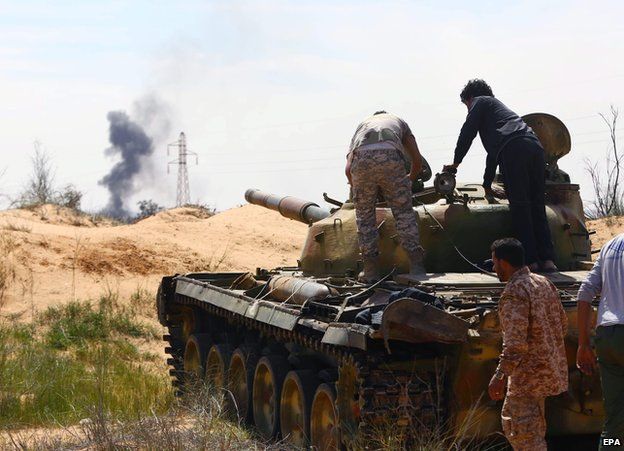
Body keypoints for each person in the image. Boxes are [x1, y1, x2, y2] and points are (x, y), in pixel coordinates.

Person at [444, 79, 557, 272]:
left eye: (466, 106)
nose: (468, 110)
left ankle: (530, 261)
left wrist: (455, 163)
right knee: (537, 205)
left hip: (514, 150)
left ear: (470, 98)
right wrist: (487, 185)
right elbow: (493, 154)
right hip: (535, 148)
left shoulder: (480, 102)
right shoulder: (500, 114)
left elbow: (467, 132)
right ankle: (548, 260)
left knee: (521, 207)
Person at [488, 238, 568, 450]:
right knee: (534, 431)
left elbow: (515, 344)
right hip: (547, 374)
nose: (494, 268)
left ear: (504, 262)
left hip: (525, 379)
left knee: (523, 435)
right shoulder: (543, 283)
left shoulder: (514, 291)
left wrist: (500, 375)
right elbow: (562, 325)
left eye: (494, 262)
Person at [345, 111, 425, 282]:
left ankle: (370, 272)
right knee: (403, 213)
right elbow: (417, 161)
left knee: (364, 217)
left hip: (361, 159)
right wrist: (407, 182)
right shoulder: (400, 122)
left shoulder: (363, 124)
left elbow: (347, 169)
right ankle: (416, 267)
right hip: (390, 157)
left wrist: (360, 191)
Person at [577, 233, 624, 449]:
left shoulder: (609, 246)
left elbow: (585, 292)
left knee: (614, 419)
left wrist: (583, 344)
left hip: (607, 337)